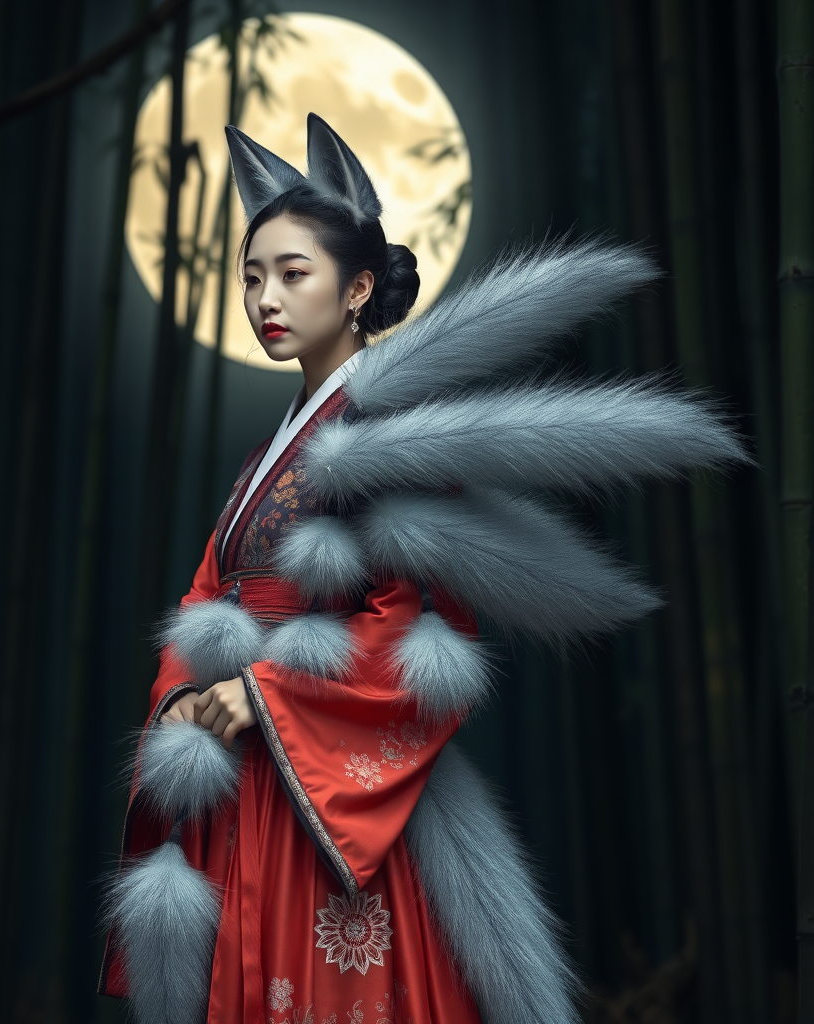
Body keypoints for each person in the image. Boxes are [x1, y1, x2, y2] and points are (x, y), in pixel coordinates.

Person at [98, 113, 746, 1024]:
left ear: (358, 286)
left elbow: (418, 628)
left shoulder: (381, 440)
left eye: (293, 274)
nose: (265, 301)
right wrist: (184, 695)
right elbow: (208, 590)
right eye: (251, 278)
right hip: (250, 771)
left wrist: (267, 694)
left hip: (329, 789)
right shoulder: (270, 454)